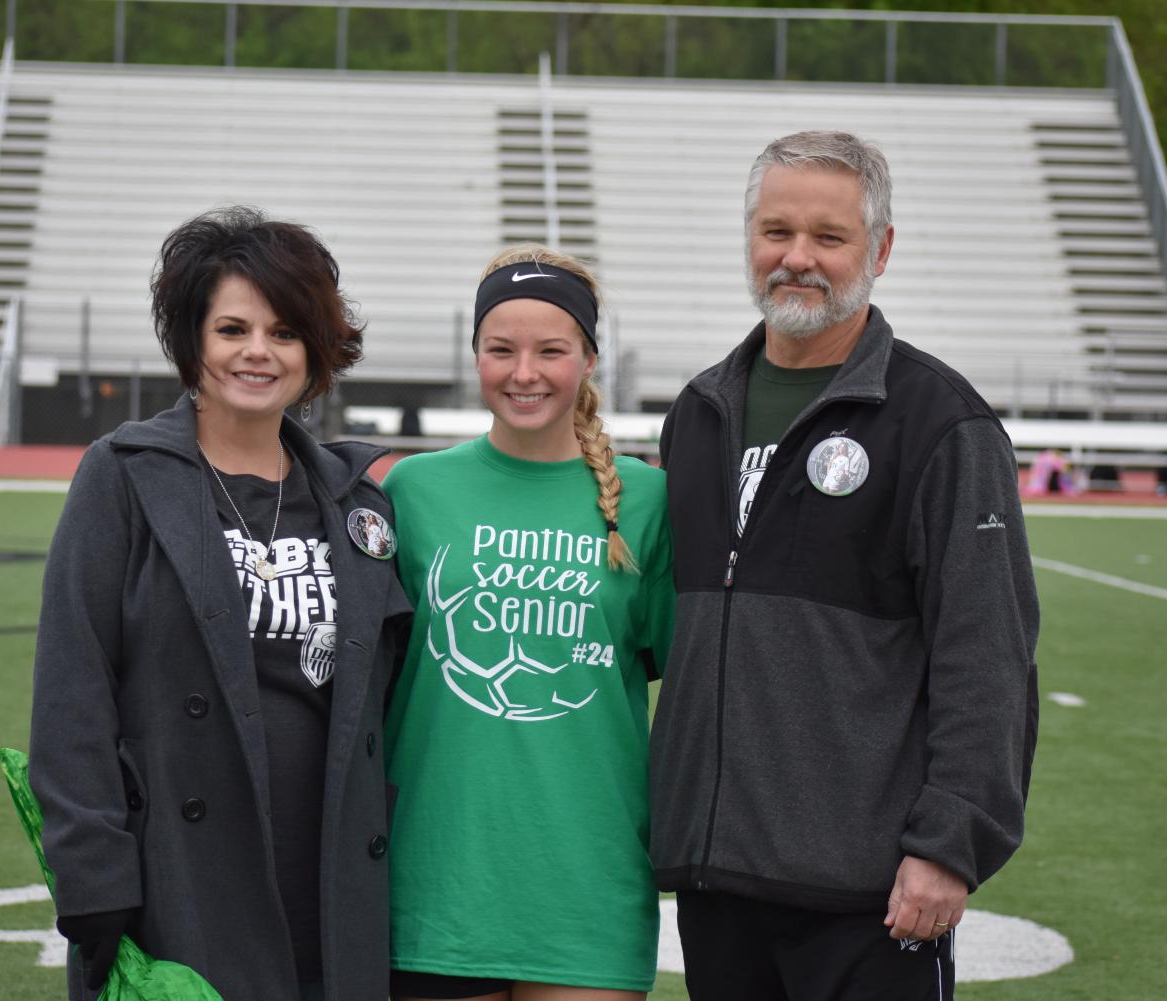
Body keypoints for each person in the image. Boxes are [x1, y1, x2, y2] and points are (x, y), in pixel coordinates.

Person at [650, 131, 1040, 999]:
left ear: (879, 249)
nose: (796, 258)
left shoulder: (941, 423)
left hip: (867, 893)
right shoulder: (700, 411)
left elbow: (986, 654)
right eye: (775, 231)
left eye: (827, 237)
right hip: (718, 879)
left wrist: (949, 845)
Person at [29, 206, 410, 1001]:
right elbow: (72, 689)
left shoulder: (354, 500)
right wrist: (93, 877)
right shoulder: (123, 476)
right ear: (192, 342)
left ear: (315, 349)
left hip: (332, 875)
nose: (257, 352)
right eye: (232, 328)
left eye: (284, 331)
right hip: (180, 877)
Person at [382, 246, 674, 1001]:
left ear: (588, 357)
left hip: (587, 873)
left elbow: (679, 671)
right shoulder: (413, 489)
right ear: (474, 354)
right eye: (499, 349)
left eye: (551, 350)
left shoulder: (648, 502)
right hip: (440, 871)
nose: (524, 373)